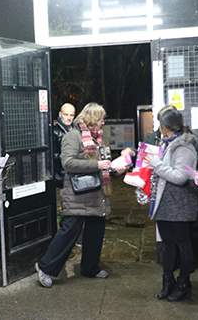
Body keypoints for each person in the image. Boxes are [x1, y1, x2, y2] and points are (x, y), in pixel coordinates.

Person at [35, 102, 126, 288]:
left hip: (95, 193)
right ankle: (45, 267)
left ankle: (90, 268)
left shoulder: (97, 139)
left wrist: (116, 170)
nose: (103, 123)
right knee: (69, 232)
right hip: (76, 194)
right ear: (91, 119)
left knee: (95, 231)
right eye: (100, 119)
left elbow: (102, 164)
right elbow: (67, 163)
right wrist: (97, 165)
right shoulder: (73, 136)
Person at [145, 109, 198, 302]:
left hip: (180, 204)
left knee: (182, 244)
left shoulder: (184, 146)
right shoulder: (166, 143)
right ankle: (168, 281)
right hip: (165, 202)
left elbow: (180, 177)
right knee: (167, 244)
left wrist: (157, 164)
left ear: (165, 128)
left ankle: (183, 283)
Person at [53, 103, 75, 189]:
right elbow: (52, 155)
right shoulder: (54, 131)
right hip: (62, 175)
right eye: (66, 114)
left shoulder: (76, 129)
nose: (69, 118)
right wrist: (70, 157)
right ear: (60, 114)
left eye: (71, 115)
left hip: (76, 172)